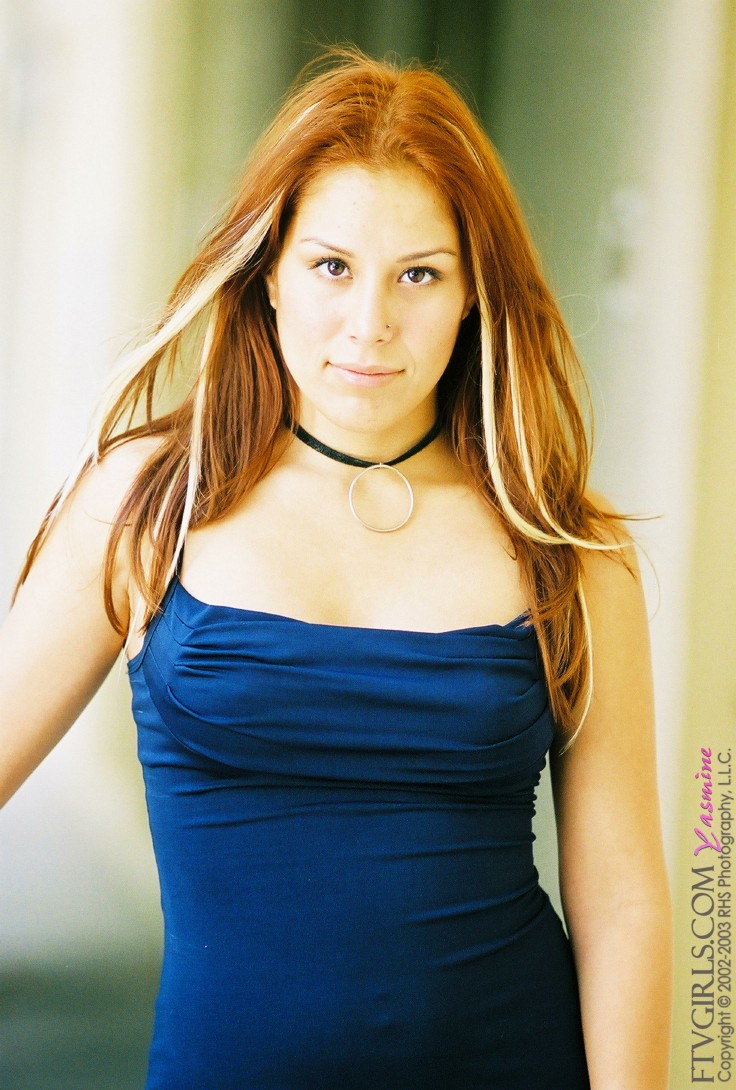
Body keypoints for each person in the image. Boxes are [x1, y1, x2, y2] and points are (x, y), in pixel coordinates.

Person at [0, 48, 672, 1089]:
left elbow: (625, 899)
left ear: (474, 295)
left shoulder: (567, 551)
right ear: (267, 272)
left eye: (419, 274)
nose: (370, 325)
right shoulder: (148, 504)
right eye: (331, 267)